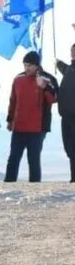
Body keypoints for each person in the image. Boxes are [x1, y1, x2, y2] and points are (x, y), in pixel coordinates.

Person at [4, 51, 58, 183]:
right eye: (25, 65)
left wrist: (44, 87)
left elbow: (54, 99)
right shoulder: (18, 79)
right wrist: (10, 120)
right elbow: (13, 101)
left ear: (37, 65)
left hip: (38, 129)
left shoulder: (48, 79)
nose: (27, 68)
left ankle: (35, 187)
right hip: (19, 127)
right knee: (13, 158)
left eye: (30, 65)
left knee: (33, 159)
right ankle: (8, 185)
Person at [56, 31, 75, 182]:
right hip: (66, 116)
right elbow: (66, 70)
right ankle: (73, 178)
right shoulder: (70, 69)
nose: (73, 52)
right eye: (72, 50)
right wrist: (58, 63)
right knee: (69, 148)